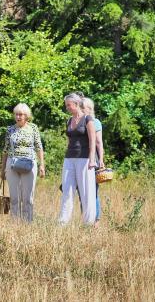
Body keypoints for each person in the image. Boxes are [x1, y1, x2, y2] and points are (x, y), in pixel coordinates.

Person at [0, 103, 45, 222]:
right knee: (14, 197)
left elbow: (39, 147)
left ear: (26, 116)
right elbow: (5, 149)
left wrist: (42, 165)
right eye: (16, 114)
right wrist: (2, 169)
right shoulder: (10, 129)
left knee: (28, 198)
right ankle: (15, 223)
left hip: (29, 163)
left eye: (21, 114)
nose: (18, 117)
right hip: (12, 163)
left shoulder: (33, 128)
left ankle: (27, 223)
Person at [58, 93, 97, 225]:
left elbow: (93, 141)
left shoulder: (88, 119)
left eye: (69, 105)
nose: (67, 107)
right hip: (69, 158)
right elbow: (69, 141)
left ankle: (89, 223)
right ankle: (63, 222)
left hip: (85, 158)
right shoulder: (69, 120)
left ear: (76, 104)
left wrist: (92, 160)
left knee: (86, 192)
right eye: (66, 105)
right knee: (67, 190)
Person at [81, 97, 105, 226]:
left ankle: (96, 221)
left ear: (89, 109)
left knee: (93, 190)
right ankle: (85, 218)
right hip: (78, 159)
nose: (80, 109)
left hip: (92, 160)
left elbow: (99, 143)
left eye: (82, 107)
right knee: (82, 191)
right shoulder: (76, 121)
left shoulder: (95, 122)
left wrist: (101, 159)